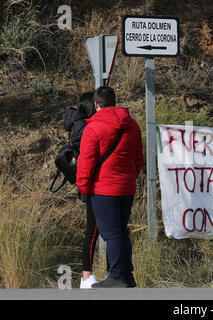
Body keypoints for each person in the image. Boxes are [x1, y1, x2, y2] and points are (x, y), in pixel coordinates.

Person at [76, 86, 143, 288]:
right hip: (126, 188)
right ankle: (126, 275)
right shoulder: (133, 126)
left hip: (104, 189)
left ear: (96, 104)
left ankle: (116, 276)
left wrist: (84, 189)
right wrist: (129, 179)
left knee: (111, 233)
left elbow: (85, 164)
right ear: (115, 102)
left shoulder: (93, 128)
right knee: (121, 231)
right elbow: (138, 160)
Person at [64, 92, 105, 289]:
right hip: (91, 185)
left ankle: (89, 276)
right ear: (91, 106)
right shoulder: (84, 127)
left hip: (92, 184)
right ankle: (86, 276)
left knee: (98, 230)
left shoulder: (80, 125)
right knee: (93, 230)